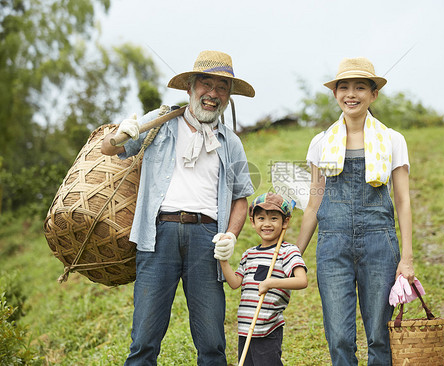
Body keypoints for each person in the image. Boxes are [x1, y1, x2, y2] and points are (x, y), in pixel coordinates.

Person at [100, 50, 255, 365]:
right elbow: (110, 149)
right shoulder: (160, 123)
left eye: (222, 88)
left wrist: (231, 237)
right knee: (144, 341)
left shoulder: (230, 142)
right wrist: (119, 135)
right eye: (206, 84)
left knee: (212, 342)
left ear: (228, 97)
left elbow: (241, 197)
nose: (212, 94)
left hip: (207, 239)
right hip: (159, 236)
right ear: (190, 88)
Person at [295, 57, 415, 366]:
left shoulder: (392, 140)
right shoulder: (320, 143)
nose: (352, 94)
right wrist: (294, 253)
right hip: (333, 245)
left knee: (379, 335)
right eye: (344, 87)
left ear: (373, 95)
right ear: (335, 94)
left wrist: (407, 257)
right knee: (339, 337)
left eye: (360, 87)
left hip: (379, 243)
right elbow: (314, 202)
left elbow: (402, 200)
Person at [216, 192, 308, 366]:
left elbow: (301, 280)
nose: (267, 224)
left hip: (268, 328)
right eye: (261, 218)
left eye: (274, 218)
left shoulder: (288, 251)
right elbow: (235, 283)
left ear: (285, 222)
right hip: (246, 327)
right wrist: (223, 260)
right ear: (253, 222)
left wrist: (271, 282)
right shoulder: (249, 254)